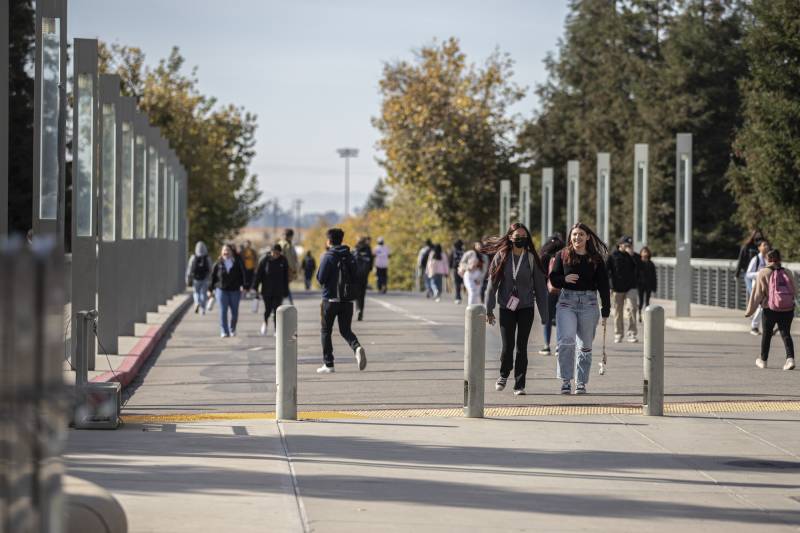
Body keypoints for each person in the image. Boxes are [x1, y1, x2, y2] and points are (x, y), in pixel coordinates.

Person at [484, 222, 549, 396]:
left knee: (522, 346)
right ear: (510, 238)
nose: (520, 239)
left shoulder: (531, 258)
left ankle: (519, 384)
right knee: (507, 346)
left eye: (523, 236)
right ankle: (504, 374)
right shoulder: (502, 256)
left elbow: (540, 288)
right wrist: (489, 309)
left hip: (526, 307)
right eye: (517, 236)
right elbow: (492, 285)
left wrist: (545, 315)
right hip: (507, 307)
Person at [549, 222, 610, 395]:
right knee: (566, 341)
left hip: (589, 303)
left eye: (581, 234)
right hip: (566, 302)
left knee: (585, 346)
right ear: (571, 237)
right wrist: (564, 280)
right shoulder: (562, 255)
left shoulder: (596, 259)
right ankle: (566, 381)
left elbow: (604, 286)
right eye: (574, 234)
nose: (577, 237)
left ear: (588, 237)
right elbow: (553, 278)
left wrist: (606, 310)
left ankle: (581, 382)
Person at [316, 228, 367, 374]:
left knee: (326, 331)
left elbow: (320, 279)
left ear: (329, 241)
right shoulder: (349, 256)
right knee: (345, 330)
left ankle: (329, 364)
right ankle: (357, 347)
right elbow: (357, 275)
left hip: (330, 300)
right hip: (347, 301)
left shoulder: (328, 256)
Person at [746, 249, 795, 370]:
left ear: (768, 260)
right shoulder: (788, 272)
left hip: (770, 308)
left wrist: (749, 311)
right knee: (786, 333)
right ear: (780, 259)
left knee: (767, 334)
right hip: (787, 308)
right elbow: (795, 290)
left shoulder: (763, 272)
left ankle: (763, 360)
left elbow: (756, 295)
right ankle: (790, 359)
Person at [209, 243, 247, 338]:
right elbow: (212, 277)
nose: (226, 252)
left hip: (235, 290)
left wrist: (244, 286)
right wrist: (210, 289)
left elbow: (243, 274)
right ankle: (224, 331)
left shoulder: (237, 262)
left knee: (234, 313)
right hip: (221, 290)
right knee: (223, 311)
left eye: (228, 250)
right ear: (222, 252)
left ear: (231, 252)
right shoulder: (218, 263)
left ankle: (232, 328)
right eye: (224, 250)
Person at [252, 244, 290, 336]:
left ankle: (276, 329)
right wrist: (255, 286)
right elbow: (259, 274)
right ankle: (265, 322)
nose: (275, 255)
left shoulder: (283, 260)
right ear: (271, 252)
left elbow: (286, 276)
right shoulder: (265, 260)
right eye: (274, 253)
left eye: (277, 253)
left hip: (279, 290)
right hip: (267, 290)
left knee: (277, 310)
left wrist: (286, 290)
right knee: (268, 309)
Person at [607, 235, 639, 343]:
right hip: (617, 287)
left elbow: (639, 268)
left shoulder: (634, 256)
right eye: (626, 245)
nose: (628, 247)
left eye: (630, 245)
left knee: (632, 309)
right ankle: (618, 333)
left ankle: (632, 333)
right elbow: (608, 272)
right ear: (620, 244)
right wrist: (610, 287)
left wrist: (632, 256)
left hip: (631, 286)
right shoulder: (612, 256)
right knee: (618, 312)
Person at [538, 233, 565, 355]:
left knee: (547, 319)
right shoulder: (564, 254)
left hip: (547, 290)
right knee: (561, 318)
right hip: (562, 289)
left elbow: (539, 275)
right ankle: (559, 345)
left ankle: (546, 346)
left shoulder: (544, 256)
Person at [745, 239, 770, 335]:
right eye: (764, 245)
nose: (766, 247)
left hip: (767, 286)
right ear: (759, 247)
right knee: (761, 306)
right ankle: (754, 327)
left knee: (766, 305)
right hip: (757, 285)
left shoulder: (769, 259)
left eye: (767, 245)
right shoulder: (756, 259)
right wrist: (759, 273)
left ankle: (765, 327)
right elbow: (748, 274)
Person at [186, 241, 212, 314]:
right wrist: (210, 278)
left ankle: (197, 302)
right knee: (203, 293)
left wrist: (188, 278)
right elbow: (210, 269)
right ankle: (203, 309)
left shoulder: (193, 257)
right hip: (205, 278)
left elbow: (190, 268)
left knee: (196, 292)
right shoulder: (207, 257)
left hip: (196, 278)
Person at [459, 241, 488, 306]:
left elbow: (484, 269)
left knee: (477, 293)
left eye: (480, 245)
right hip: (469, 275)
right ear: (474, 245)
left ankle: (475, 310)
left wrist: (480, 278)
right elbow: (462, 263)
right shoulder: (470, 253)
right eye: (477, 245)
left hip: (478, 276)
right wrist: (468, 267)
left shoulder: (484, 256)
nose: (479, 246)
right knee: (472, 291)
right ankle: (470, 309)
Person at [353, 236, 374, 321]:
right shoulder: (368, 249)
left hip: (356, 275)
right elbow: (371, 261)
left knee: (357, 293)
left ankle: (357, 309)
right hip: (364, 275)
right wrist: (369, 270)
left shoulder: (355, 248)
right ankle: (361, 310)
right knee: (362, 294)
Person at [277, 229, 299, 305]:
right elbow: (284, 259)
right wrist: (290, 269)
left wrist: (294, 270)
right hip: (285, 270)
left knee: (285, 287)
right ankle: (285, 304)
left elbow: (293, 258)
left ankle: (281, 304)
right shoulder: (283, 245)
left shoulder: (290, 245)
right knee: (285, 287)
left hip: (289, 270)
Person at [637, 246, 657, 322]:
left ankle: (647, 315)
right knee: (641, 301)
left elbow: (654, 276)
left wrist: (654, 287)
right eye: (643, 252)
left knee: (647, 301)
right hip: (640, 285)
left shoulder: (651, 264)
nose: (645, 253)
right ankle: (639, 314)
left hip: (648, 285)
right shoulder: (639, 263)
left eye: (646, 252)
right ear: (641, 253)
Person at [450, 240, 465, 304]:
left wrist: (450, 267)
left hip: (456, 269)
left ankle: (458, 297)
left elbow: (450, 260)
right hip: (463, 268)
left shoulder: (454, 252)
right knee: (462, 282)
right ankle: (459, 296)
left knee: (457, 283)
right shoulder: (463, 252)